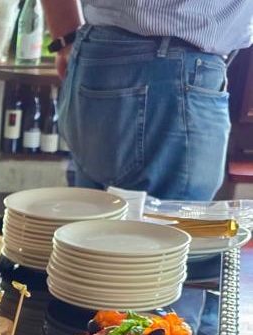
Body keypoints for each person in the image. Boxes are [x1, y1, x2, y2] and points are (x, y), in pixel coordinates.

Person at [40, 0, 253, 199]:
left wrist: (65, 36)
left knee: (93, 217)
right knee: (166, 223)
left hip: (99, 55)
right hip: (169, 71)